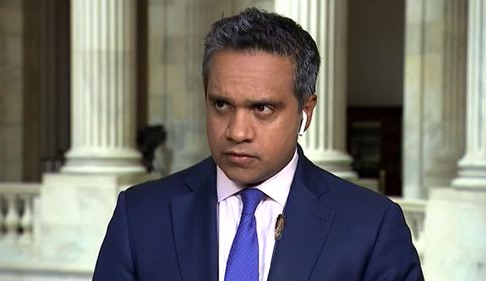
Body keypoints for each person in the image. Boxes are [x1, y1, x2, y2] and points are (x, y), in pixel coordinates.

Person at [93, 7, 424, 281]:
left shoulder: (372, 227)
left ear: (305, 111)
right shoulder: (139, 216)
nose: (237, 132)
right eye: (221, 105)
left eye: (262, 109)